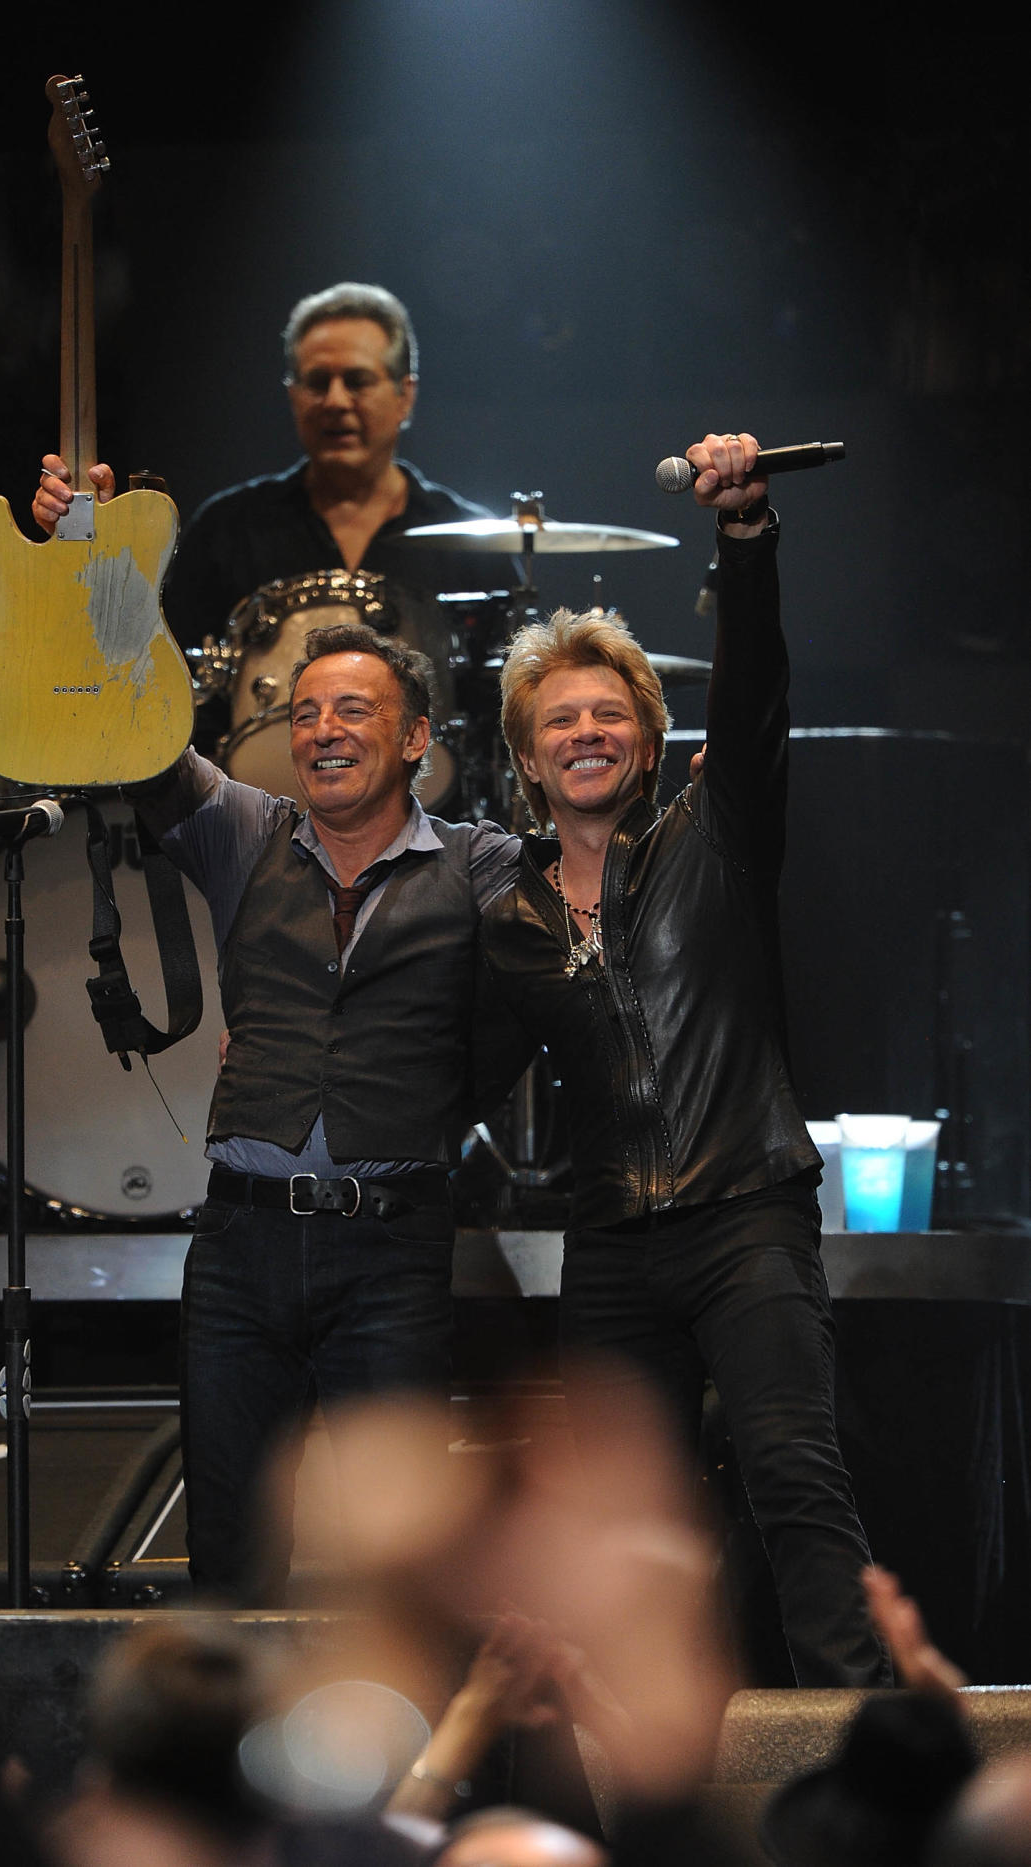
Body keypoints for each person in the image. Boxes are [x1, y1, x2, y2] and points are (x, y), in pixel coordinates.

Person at [475, 430, 889, 1688]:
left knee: (791, 1477)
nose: (587, 731)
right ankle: (645, 1782)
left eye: (611, 714)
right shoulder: (508, 922)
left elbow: (755, 690)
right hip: (610, 1248)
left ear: (649, 744)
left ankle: (870, 1759)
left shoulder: (719, 836)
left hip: (745, 1214)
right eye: (562, 719)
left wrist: (747, 536)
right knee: (624, 1535)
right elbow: (449, 1069)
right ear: (528, 757)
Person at [129, 622, 519, 1599]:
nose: (324, 730)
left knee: (404, 1567)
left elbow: (567, 957)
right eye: (306, 713)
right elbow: (141, 738)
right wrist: (105, 570)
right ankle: (227, 1754)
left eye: (353, 708)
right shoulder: (247, 834)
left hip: (390, 1251)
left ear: (419, 735)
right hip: (239, 1250)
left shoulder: (477, 863)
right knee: (230, 1555)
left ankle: (418, 1754)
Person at [32, 280, 509, 644]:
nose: (336, 401)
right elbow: (143, 655)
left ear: (405, 395)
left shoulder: (472, 542)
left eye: (358, 380)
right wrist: (87, 545)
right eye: (317, 382)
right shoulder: (228, 529)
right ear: (292, 396)